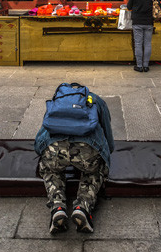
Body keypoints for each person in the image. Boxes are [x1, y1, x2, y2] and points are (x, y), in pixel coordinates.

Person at [35, 85, 114, 234]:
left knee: (51, 171)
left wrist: (40, 151)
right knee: (94, 172)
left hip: (55, 149)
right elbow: (108, 134)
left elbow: (43, 131)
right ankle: (82, 208)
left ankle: (57, 208)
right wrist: (106, 156)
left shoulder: (57, 100)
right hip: (87, 150)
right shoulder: (95, 100)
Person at [126, 0, 158, 72]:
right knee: (147, 44)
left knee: (138, 44)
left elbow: (128, 7)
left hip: (137, 22)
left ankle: (139, 66)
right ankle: (146, 66)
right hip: (148, 22)